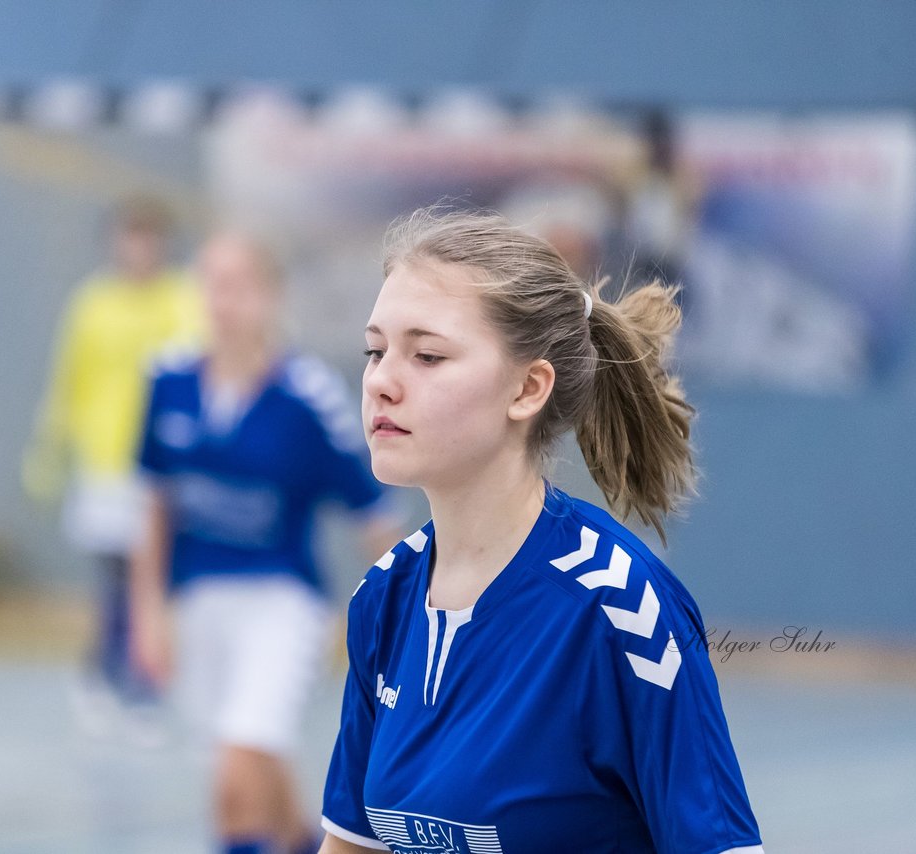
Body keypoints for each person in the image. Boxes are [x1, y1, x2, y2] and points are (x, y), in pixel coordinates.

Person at [320, 208, 763, 853]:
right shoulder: (384, 599)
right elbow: (353, 844)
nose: (381, 381)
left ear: (528, 388)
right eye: (375, 350)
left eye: (428, 355)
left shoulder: (622, 612)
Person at [129, 232, 401, 854]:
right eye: (211, 285)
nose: (222, 302)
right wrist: (146, 616)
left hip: (280, 602)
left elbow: (374, 517)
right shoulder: (168, 381)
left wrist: (408, 621)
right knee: (258, 766)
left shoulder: (308, 398)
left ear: (271, 297)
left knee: (237, 773)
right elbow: (153, 507)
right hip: (195, 605)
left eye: (238, 286)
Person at [23, 194, 201, 737]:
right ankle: (116, 680)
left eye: (150, 238)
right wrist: (49, 450)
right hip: (104, 463)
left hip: (164, 465)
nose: (140, 249)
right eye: (130, 237)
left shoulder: (184, 300)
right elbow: (68, 379)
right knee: (120, 579)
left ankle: (129, 679)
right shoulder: (92, 304)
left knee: (155, 579)